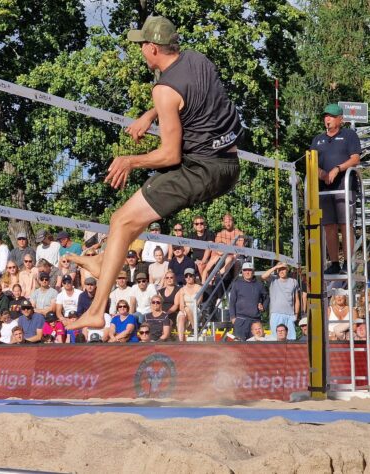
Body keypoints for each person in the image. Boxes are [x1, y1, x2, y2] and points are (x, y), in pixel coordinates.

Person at [63, 16, 242, 330]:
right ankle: (104, 261)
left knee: (121, 219)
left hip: (202, 169)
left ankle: (96, 309)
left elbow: (169, 154)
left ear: (153, 48)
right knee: (132, 217)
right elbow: (181, 100)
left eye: (142, 45)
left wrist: (128, 161)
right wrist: (150, 116)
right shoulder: (197, 60)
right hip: (228, 162)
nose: (140, 51)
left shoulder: (164, 89)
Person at [310, 103, 362, 275]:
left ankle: (348, 261)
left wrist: (338, 168)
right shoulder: (318, 139)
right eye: (326, 116)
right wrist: (322, 174)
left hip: (344, 187)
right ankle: (334, 262)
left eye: (331, 116)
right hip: (324, 189)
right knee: (329, 226)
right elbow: (312, 164)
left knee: (346, 224)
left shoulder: (349, 135)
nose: (327, 119)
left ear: (341, 119)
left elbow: (355, 159)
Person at [229, 262, 269, 341]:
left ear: (253, 272)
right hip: (241, 320)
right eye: (245, 270)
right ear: (242, 272)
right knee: (239, 346)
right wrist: (233, 317)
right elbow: (232, 302)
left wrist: (263, 306)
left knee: (256, 346)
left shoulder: (259, 284)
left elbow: (267, 297)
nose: (247, 272)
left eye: (250, 270)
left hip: (255, 320)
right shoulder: (236, 284)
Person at [200, 214, 245, 282]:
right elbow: (217, 249)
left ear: (233, 221)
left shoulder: (239, 233)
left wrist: (226, 251)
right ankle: (204, 283)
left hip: (234, 256)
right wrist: (224, 251)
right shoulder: (220, 234)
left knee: (233, 260)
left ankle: (231, 283)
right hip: (221, 255)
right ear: (223, 223)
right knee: (212, 260)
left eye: (229, 221)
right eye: (226, 222)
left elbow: (239, 249)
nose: (228, 224)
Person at [261, 262, 299, 340]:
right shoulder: (273, 279)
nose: (282, 271)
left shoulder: (293, 281)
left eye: (283, 269)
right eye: (280, 269)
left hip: (290, 315)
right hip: (276, 314)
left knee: (291, 338)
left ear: (287, 270)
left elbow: (296, 299)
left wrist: (296, 314)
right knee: (276, 339)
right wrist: (276, 267)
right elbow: (263, 276)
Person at [175, 268, 202, 341]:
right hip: (184, 308)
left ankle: (194, 328)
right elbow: (181, 305)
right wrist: (185, 310)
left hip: (195, 308)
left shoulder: (199, 288)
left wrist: (187, 309)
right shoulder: (182, 289)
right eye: (186, 276)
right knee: (181, 317)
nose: (188, 278)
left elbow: (198, 302)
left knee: (186, 309)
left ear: (194, 276)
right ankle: (181, 341)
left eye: (190, 275)